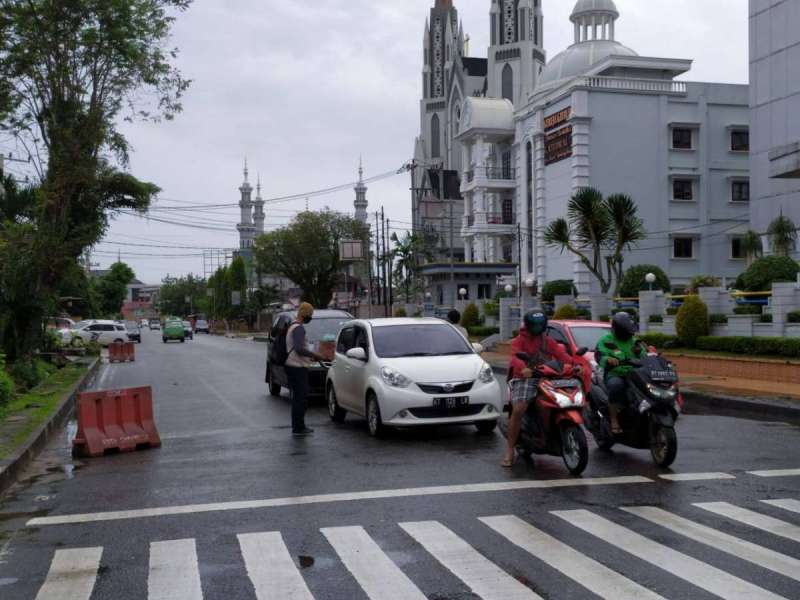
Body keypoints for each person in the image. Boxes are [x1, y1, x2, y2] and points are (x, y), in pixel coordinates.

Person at [503, 310, 574, 467]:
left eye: (540, 325)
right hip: (524, 379)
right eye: (535, 325)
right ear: (528, 326)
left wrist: (575, 365)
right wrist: (524, 369)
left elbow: (562, 355)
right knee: (519, 409)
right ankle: (509, 450)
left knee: (562, 400)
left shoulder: (547, 341)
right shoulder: (518, 341)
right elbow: (515, 358)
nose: (537, 328)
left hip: (546, 377)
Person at [596, 312, 647, 435]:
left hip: (634, 374)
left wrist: (650, 356)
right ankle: (614, 420)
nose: (629, 334)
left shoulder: (634, 341)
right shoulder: (606, 340)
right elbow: (599, 356)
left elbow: (644, 355)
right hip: (615, 373)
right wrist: (608, 360)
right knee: (615, 386)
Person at [285, 302, 325, 436]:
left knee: (298, 397)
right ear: (305, 314)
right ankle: (298, 427)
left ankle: (298, 426)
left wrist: (310, 357)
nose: (311, 318)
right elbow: (298, 348)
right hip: (297, 368)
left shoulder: (292, 326)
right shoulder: (299, 328)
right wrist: (315, 355)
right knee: (300, 398)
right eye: (310, 315)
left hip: (293, 365)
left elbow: (298, 349)